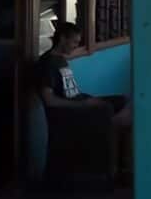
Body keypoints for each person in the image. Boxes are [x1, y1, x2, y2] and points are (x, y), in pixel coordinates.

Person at [37, 22, 132, 173]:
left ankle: (123, 164)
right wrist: (83, 105)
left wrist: (88, 99)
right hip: (71, 114)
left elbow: (71, 92)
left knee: (124, 101)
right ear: (62, 39)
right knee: (115, 114)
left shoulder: (61, 60)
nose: (76, 46)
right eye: (74, 41)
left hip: (81, 103)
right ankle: (115, 168)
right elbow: (49, 100)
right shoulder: (47, 63)